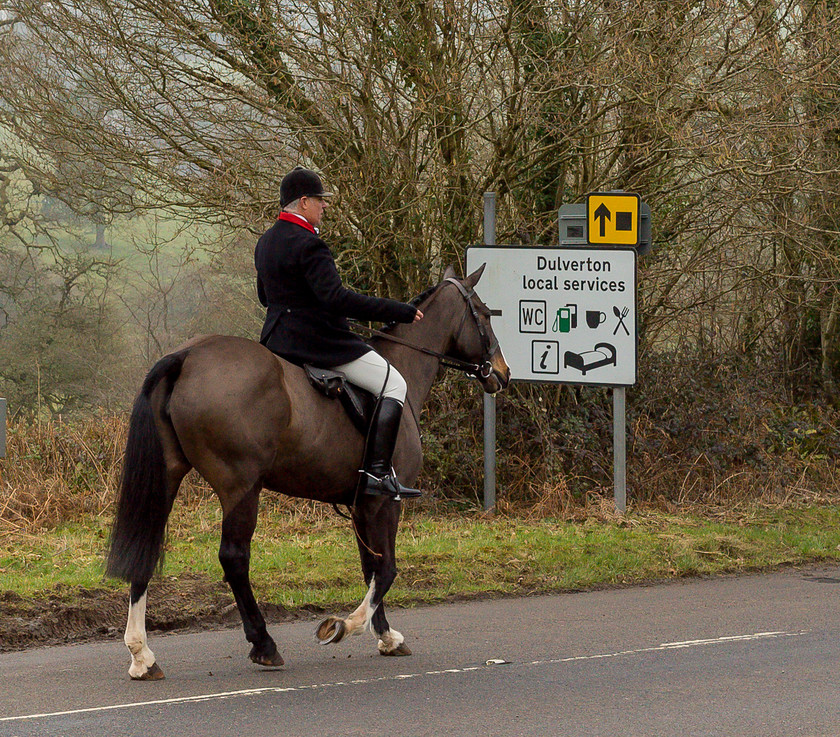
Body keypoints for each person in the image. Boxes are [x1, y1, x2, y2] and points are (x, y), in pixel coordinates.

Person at [255, 166, 423, 500]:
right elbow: (336, 299)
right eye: (320, 201)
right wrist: (398, 310)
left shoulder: (265, 242)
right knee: (394, 383)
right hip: (318, 343)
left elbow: (264, 297)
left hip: (276, 341)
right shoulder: (310, 245)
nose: (325, 207)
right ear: (303, 202)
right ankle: (377, 473)